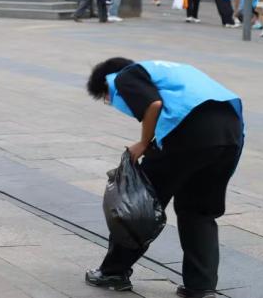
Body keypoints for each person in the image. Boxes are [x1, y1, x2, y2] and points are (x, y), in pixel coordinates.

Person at [84, 58, 244, 297]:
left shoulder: (125, 75)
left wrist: (143, 143)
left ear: (107, 84)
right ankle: (200, 287)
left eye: (106, 97)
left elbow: (153, 104)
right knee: (199, 212)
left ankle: (113, 272)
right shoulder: (168, 71)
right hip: (230, 135)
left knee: (139, 206)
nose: (113, 102)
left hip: (187, 134)